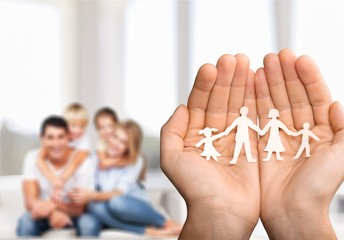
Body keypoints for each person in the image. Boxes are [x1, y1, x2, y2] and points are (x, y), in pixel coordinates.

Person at [161, 49, 344, 239]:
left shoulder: (263, 122)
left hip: (267, 140)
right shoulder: (241, 121)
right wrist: (215, 215)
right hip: (241, 139)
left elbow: (268, 129)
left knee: (251, 150)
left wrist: (303, 212)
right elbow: (237, 127)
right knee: (245, 148)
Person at [69, 120, 181, 236]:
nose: (115, 143)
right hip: (103, 211)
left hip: (129, 208)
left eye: (123, 142)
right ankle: (150, 231)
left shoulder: (135, 160)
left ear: (129, 147)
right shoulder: (95, 158)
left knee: (116, 202)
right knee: (91, 213)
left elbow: (118, 193)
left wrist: (92, 195)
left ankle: (164, 222)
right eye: (115, 137)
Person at [17, 116, 101, 237]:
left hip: (75, 215)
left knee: (89, 223)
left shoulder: (84, 162)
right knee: (26, 221)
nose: (56, 144)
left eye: (61, 137)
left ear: (69, 137)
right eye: (50, 138)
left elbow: (80, 208)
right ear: (42, 139)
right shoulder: (32, 157)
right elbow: (30, 201)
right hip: (45, 214)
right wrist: (53, 212)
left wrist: (54, 205)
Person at [37, 103, 91, 201]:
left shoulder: (84, 139)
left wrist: (60, 182)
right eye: (74, 125)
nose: (77, 130)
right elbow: (40, 159)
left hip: (76, 169)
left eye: (82, 126)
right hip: (62, 174)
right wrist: (54, 179)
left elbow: (76, 162)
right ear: (65, 125)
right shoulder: (58, 136)